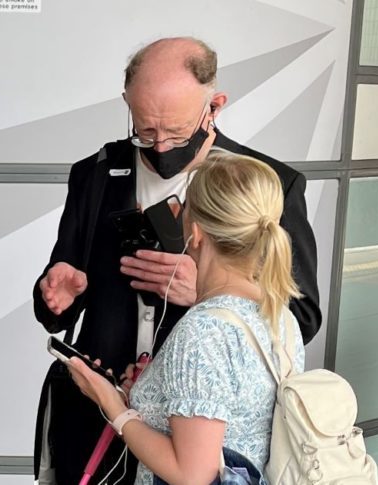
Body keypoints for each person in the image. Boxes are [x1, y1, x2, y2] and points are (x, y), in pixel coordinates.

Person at [31, 37, 321, 484]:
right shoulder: (95, 173)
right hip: (93, 428)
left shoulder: (269, 185)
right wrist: (55, 296)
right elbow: (58, 303)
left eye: (177, 132)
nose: (161, 146)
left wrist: (206, 294)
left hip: (190, 449)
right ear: (127, 102)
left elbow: (300, 318)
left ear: (215, 106)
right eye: (146, 130)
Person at [68, 151, 306, 484]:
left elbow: (194, 475)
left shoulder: (202, 332)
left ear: (194, 233)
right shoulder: (279, 315)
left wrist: (113, 406)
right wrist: (156, 386)